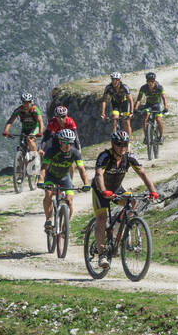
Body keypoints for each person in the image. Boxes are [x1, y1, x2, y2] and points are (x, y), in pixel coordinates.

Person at [89, 130, 160, 271]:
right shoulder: (105, 156)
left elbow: (143, 173)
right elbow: (98, 174)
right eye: (119, 144)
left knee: (132, 201)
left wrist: (153, 191)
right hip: (100, 189)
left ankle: (116, 231)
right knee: (102, 217)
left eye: (125, 144)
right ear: (112, 144)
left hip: (116, 188)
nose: (122, 147)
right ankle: (102, 254)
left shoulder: (130, 157)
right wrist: (103, 191)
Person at [37, 126, 87, 235]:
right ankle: (48, 220)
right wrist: (41, 180)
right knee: (48, 194)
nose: (68, 145)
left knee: (69, 201)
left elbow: (81, 169)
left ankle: (65, 228)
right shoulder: (51, 151)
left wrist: (86, 183)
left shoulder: (75, 153)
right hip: (51, 176)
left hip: (65, 178)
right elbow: (44, 168)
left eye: (70, 142)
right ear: (60, 141)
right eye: (65, 142)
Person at [2, 92, 43, 157]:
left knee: (30, 139)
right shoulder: (19, 110)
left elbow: (40, 121)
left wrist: (40, 132)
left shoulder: (35, 109)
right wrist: (6, 131)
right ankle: (22, 166)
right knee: (21, 147)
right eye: (24, 102)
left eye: (28, 102)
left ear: (31, 102)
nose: (26, 104)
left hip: (34, 128)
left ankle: (36, 157)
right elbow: (10, 121)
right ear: (22, 102)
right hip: (25, 129)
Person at [134, 72, 168, 142]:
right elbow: (139, 99)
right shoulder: (143, 88)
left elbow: (164, 98)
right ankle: (146, 137)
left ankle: (161, 136)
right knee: (145, 118)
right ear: (147, 81)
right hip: (148, 105)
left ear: (154, 81)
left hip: (157, 105)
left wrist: (165, 107)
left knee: (158, 119)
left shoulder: (159, 87)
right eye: (149, 81)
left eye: (152, 81)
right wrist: (135, 108)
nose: (150, 83)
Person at [101, 72, 133, 139]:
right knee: (114, 119)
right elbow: (104, 100)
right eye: (113, 79)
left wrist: (131, 112)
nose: (114, 81)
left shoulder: (124, 87)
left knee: (126, 122)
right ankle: (114, 140)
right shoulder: (108, 87)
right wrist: (103, 113)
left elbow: (130, 100)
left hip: (125, 103)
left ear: (119, 80)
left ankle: (129, 142)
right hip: (115, 104)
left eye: (116, 80)